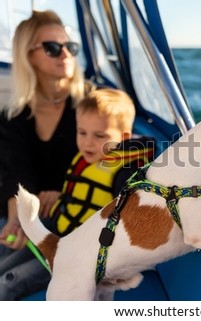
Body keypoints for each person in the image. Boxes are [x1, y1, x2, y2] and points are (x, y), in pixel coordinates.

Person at [0, 88, 155, 300]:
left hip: (79, 258)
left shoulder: (125, 173)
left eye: (99, 135)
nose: (88, 142)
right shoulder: (87, 160)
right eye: (82, 132)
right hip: (61, 234)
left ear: (124, 137)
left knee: (10, 282)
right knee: (4, 267)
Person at [0, 10, 89, 256]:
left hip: (78, 214)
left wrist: (65, 194)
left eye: (70, 47)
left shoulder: (93, 105)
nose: (65, 54)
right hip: (31, 211)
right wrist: (17, 220)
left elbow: (107, 165)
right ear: (28, 55)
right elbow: (15, 172)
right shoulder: (13, 116)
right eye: (52, 47)